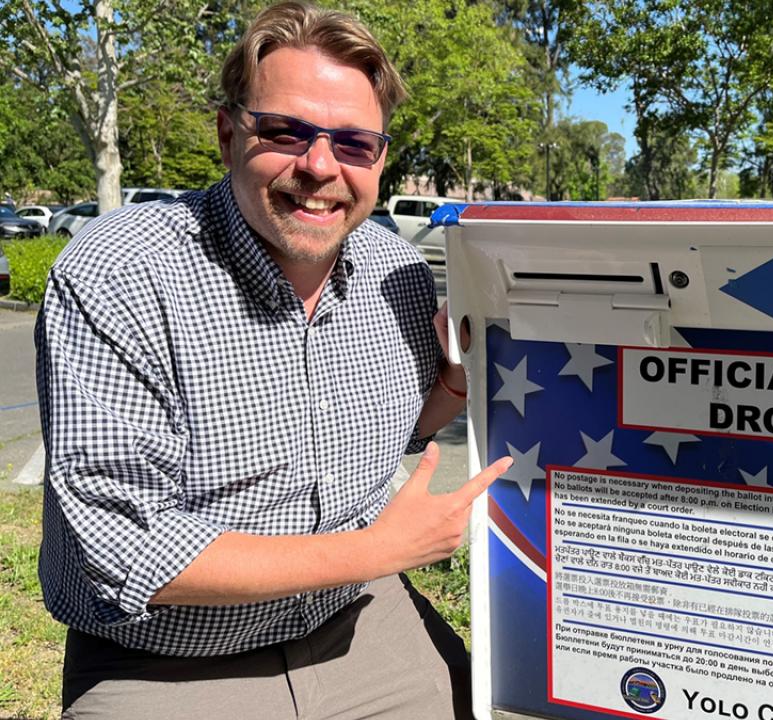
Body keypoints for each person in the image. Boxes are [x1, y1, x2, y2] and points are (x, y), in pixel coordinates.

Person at [34, 2, 511, 718]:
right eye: (285, 132)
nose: (320, 167)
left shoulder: (396, 270)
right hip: (166, 661)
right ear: (229, 135)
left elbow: (399, 432)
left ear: (379, 158)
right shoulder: (119, 273)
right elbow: (122, 544)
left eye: (354, 143)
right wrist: (375, 552)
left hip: (357, 625)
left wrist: (450, 377)